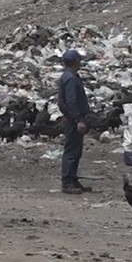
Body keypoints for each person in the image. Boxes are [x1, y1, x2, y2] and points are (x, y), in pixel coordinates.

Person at [57, 49, 92, 195]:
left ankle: (73, 179)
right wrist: (78, 120)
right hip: (73, 120)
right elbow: (70, 101)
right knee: (72, 151)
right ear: (76, 62)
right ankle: (68, 182)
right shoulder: (70, 78)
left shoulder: (69, 76)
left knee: (75, 151)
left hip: (72, 118)